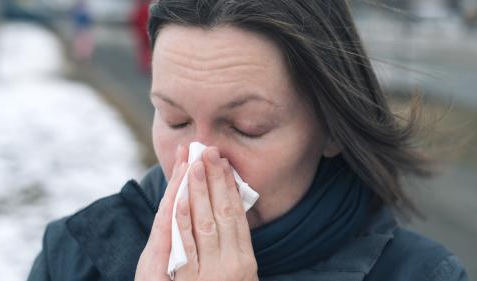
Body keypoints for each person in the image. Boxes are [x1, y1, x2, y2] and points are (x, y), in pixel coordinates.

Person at [27, 1, 469, 280]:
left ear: (331, 127)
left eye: (247, 126)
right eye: (175, 119)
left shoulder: (422, 274)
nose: (198, 161)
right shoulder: (73, 254)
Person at [131, 0, 152, 73]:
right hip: (148, 31)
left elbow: (135, 21)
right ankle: (147, 64)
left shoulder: (140, 9)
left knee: (143, 49)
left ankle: (145, 64)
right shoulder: (151, 9)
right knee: (149, 48)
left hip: (142, 32)